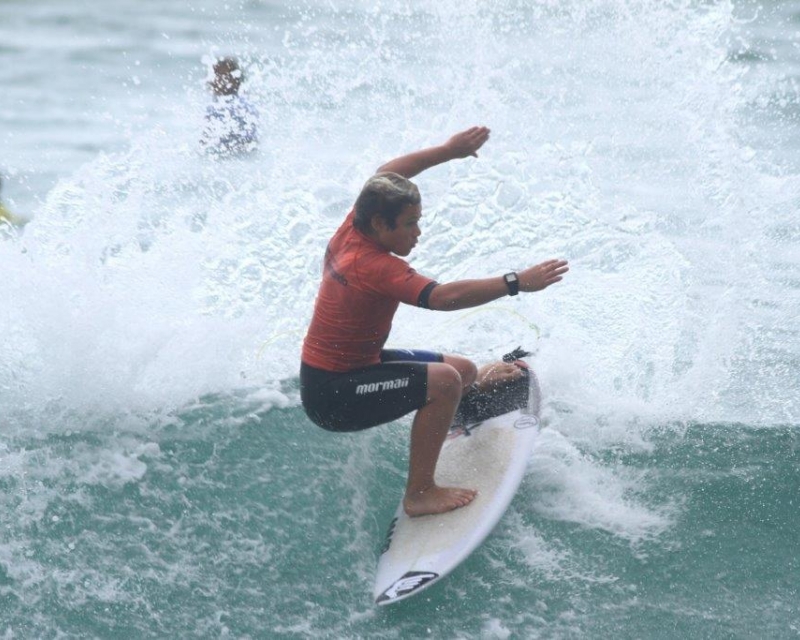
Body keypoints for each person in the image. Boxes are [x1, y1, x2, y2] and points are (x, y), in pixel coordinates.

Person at [300, 126, 569, 518]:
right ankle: (420, 492)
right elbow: (444, 298)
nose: (418, 232)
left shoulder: (354, 225)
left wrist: (449, 150)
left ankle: (460, 400)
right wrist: (516, 282)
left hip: (359, 367)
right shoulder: (373, 266)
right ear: (379, 224)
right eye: (409, 224)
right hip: (334, 396)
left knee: (460, 369)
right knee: (444, 382)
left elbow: (389, 170)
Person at [200, 56, 259, 156]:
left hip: (234, 153)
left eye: (223, 77)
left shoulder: (237, 106)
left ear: (235, 80)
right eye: (216, 75)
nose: (216, 80)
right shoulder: (244, 103)